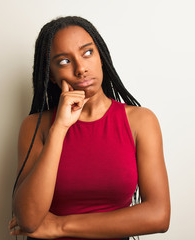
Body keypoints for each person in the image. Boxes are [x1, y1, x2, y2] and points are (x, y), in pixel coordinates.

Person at [9, 16, 170, 239]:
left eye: (87, 53)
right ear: (52, 76)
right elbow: (28, 218)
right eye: (64, 61)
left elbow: (158, 215)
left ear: (101, 57)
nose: (80, 68)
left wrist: (60, 226)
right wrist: (60, 127)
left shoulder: (141, 121)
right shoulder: (36, 126)